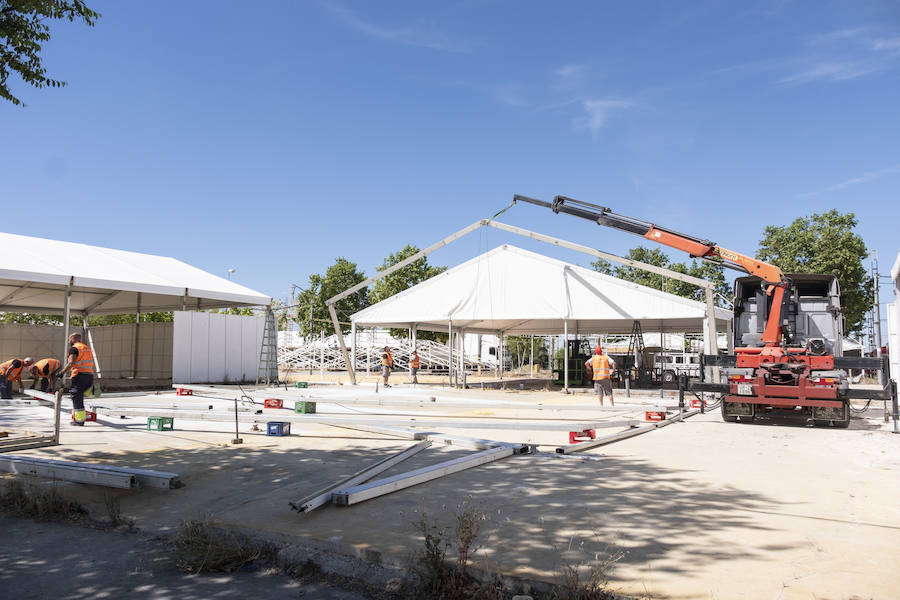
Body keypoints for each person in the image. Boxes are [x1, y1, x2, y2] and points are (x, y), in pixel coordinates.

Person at [56, 333, 95, 425]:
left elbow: (71, 363)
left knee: (76, 396)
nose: (68, 341)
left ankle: (79, 421)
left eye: (69, 339)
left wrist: (62, 373)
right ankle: (92, 390)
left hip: (79, 374)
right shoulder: (86, 348)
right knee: (84, 392)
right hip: (89, 374)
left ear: (73, 339)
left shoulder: (74, 348)